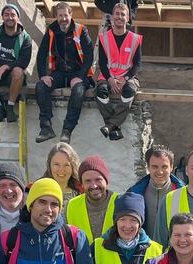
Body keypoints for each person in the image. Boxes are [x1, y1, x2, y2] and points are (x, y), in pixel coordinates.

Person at [35, 2, 94, 144]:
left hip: (78, 73)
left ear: (70, 15)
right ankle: (46, 128)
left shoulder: (81, 30)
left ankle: (67, 130)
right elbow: (41, 54)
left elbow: (89, 56)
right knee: (40, 86)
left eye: (65, 15)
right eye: (60, 15)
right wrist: (43, 75)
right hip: (60, 72)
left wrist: (80, 77)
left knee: (79, 91)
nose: (63, 19)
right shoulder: (51, 31)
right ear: (56, 16)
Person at [95, 3, 141, 141]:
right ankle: (114, 127)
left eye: (123, 14)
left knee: (129, 91)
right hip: (108, 76)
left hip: (127, 77)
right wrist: (109, 79)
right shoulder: (104, 38)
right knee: (100, 91)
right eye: (117, 14)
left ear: (128, 18)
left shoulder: (135, 39)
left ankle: (109, 126)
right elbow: (102, 63)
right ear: (112, 17)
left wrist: (125, 79)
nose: (119, 17)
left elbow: (137, 64)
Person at [127, 144, 185, 237]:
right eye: (155, 167)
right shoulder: (134, 194)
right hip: (144, 249)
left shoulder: (183, 194)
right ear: (148, 167)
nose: (160, 172)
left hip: (174, 249)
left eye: (164, 167)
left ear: (171, 167)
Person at [65, 155, 119, 241]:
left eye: (98, 179)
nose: (94, 186)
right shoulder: (72, 206)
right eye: (88, 181)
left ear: (106, 180)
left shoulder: (120, 202)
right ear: (82, 184)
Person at [41, 142, 83, 209]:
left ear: (73, 166)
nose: (61, 170)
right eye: (56, 164)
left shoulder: (82, 192)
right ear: (49, 165)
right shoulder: (38, 190)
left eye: (66, 165)